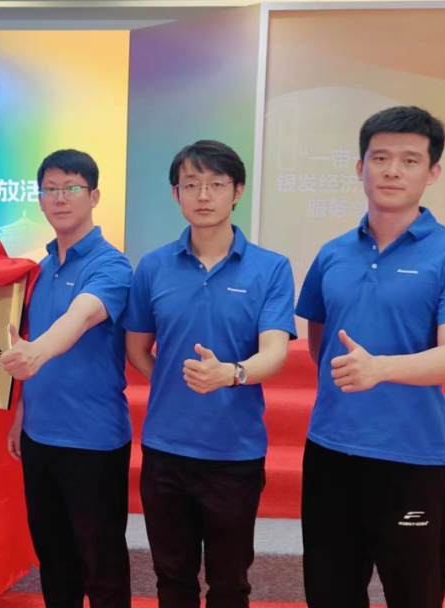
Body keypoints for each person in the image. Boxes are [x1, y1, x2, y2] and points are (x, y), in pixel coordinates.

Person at [295, 106, 445, 608]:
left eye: (410, 160)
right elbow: (320, 342)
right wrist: (355, 373)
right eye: (379, 158)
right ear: (360, 167)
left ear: (432, 172)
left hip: (410, 455)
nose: (392, 171)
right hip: (330, 450)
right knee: (329, 593)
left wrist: (380, 369)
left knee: (413, 595)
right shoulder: (333, 253)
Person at [122, 141, 296, 608]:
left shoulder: (271, 268)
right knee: (171, 578)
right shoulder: (153, 266)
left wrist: (230, 375)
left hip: (234, 452)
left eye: (216, 184)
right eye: (191, 184)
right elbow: (136, 348)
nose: (203, 195)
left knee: (229, 583)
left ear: (237, 191)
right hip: (165, 450)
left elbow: (275, 353)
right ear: (175, 193)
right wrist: (173, 381)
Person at [2, 149, 133, 608]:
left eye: (72, 188)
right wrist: (21, 410)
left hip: (92, 440)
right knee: (55, 562)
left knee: (102, 566)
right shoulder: (39, 271)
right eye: (50, 190)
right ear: (40, 199)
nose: (60, 198)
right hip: (40, 436)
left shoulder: (111, 265)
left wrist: (36, 352)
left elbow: (81, 316)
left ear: (93, 196)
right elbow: (31, 335)